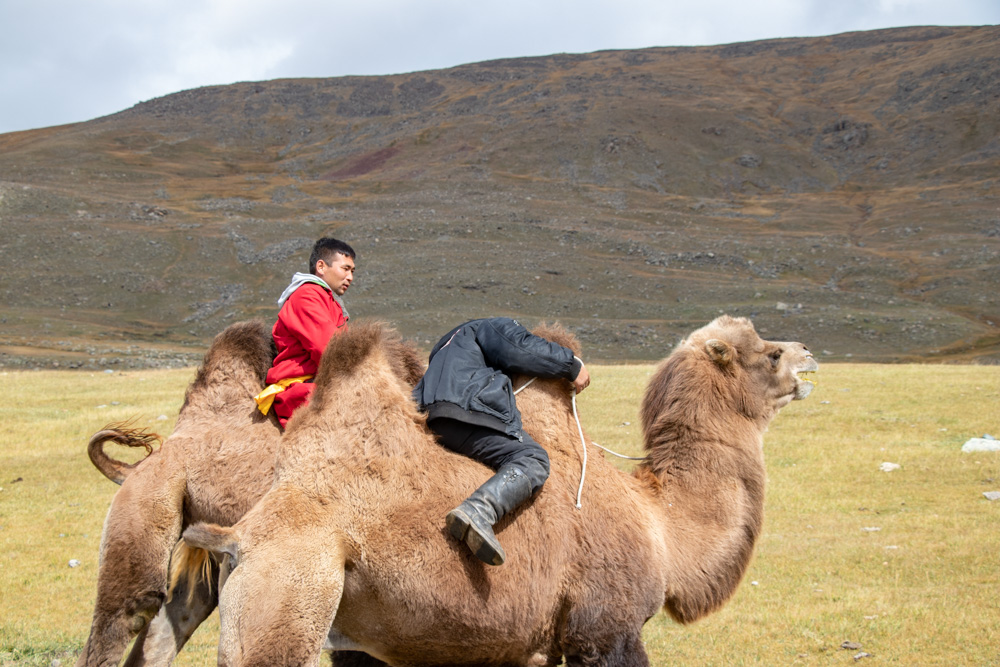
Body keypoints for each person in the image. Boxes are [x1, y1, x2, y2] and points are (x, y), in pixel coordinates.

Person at [413, 317, 590, 566]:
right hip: (468, 412)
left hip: (432, 418)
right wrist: (571, 365)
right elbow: (521, 347)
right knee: (533, 459)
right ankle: (479, 511)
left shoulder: (442, 348)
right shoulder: (489, 326)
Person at [254, 237, 356, 428]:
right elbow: (328, 349)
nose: (350, 277)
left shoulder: (326, 299)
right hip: (303, 391)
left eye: (352, 271)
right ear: (321, 266)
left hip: (321, 384)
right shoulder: (307, 296)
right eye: (345, 269)